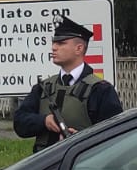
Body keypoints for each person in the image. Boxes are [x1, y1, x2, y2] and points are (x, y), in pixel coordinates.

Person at [12, 16, 124, 152]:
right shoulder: (43, 88)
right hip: (44, 166)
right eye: (54, 43)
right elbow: (20, 123)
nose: (53, 47)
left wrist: (82, 139)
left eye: (61, 43)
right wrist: (44, 121)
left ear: (79, 48)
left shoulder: (100, 90)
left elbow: (115, 136)